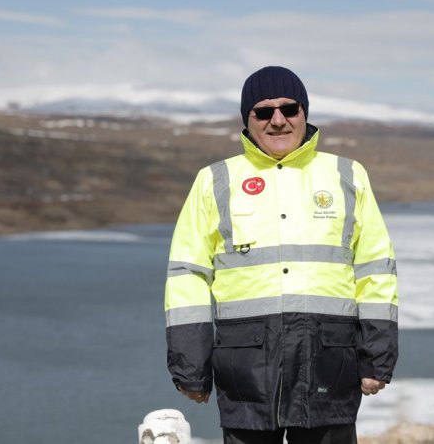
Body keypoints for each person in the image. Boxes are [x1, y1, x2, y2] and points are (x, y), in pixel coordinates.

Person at [164, 66, 399, 444]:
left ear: (305, 113)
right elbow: (187, 276)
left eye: (289, 109)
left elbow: (375, 270)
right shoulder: (214, 181)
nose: (278, 120)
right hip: (246, 369)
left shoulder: (348, 175)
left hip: (328, 364)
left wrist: (377, 358)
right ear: (247, 119)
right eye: (263, 112)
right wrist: (191, 367)